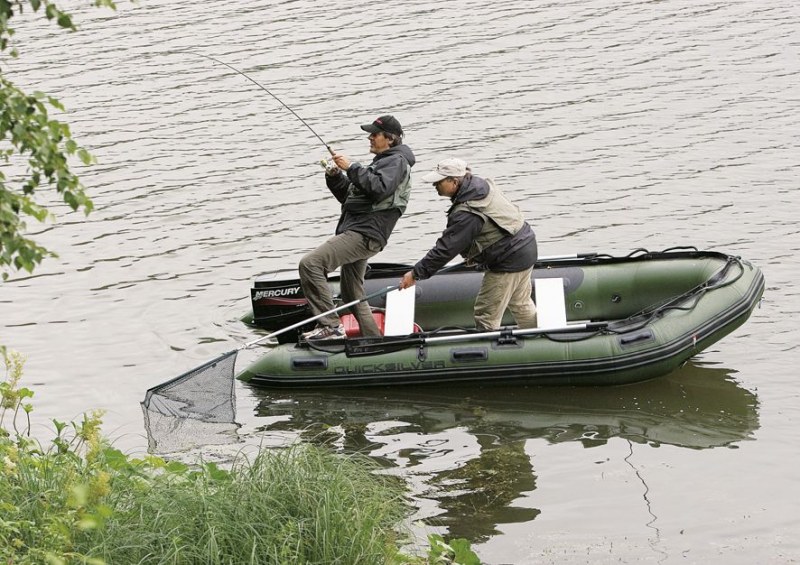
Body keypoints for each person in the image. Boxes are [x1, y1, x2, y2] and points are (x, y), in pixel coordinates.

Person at [299, 115, 415, 340]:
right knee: (352, 292)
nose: (370, 137)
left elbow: (378, 188)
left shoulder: (396, 162)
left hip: (364, 233)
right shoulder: (384, 161)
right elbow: (350, 198)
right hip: (360, 231)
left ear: (389, 139)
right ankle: (374, 342)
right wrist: (335, 176)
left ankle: (332, 327)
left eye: (375, 134)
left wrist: (352, 167)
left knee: (310, 264)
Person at [399, 158, 538, 331]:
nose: (434, 185)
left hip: (508, 260)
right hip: (526, 246)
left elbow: (446, 248)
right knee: (520, 302)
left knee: (486, 314)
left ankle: (489, 351)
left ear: (454, 181)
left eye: (438, 181)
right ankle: (540, 336)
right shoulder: (479, 187)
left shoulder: (467, 211)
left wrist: (416, 273)